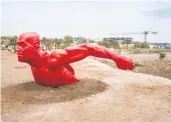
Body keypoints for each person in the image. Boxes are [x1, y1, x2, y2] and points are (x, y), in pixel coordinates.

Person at [16, 32, 135, 87]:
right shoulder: (33, 62)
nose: (17, 49)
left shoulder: (53, 59)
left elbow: (89, 48)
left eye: (22, 45)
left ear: (36, 45)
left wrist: (118, 58)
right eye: (18, 45)